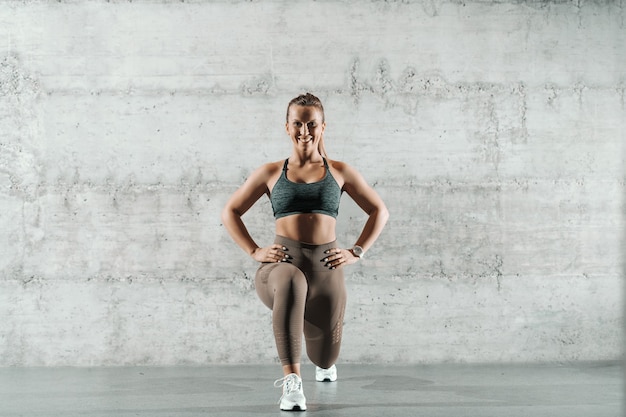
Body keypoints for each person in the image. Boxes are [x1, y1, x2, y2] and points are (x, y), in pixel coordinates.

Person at [221, 93, 389, 411]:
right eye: (297, 123)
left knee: (325, 355)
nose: (304, 131)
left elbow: (379, 210)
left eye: (311, 124)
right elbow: (230, 210)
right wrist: (254, 250)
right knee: (290, 281)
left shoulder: (339, 171)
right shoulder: (271, 172)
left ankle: (323, 364)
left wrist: (357, 251)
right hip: (282, 265)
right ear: (287, 127)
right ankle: (292, 384)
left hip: (327, 270)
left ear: (323, 127)